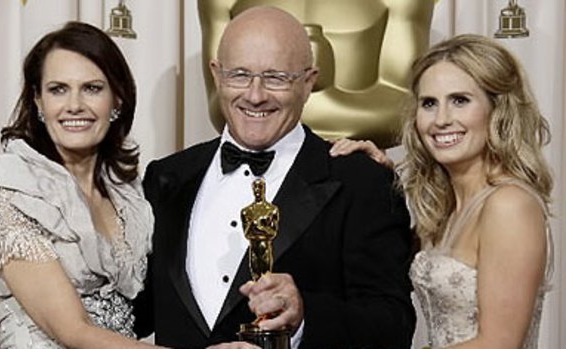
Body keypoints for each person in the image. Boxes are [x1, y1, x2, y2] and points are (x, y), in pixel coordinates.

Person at [132, 6, 414, 348]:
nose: (255, 95)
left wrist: (304, 315)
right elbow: (135, 311)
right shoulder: (166, 177)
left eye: (276, 77)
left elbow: (393, 326)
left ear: (308, 82)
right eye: (239, 75)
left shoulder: (362, 182)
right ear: (216, 74)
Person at [0, 22, 166, 348]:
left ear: (117, 99)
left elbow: (142, 313)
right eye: (58, 89)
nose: (74, 105)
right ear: (38, 101)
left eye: (92, 88)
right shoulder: (9, 197)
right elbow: (74, 332)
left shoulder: (129, 197)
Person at [401, 34, 553, 348]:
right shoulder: (444, 207)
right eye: (429, 103)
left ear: (497, 109)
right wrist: (367, 172)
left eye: (460, 100)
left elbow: (499, 343)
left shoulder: (509, 205)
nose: (441, 120)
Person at [198, 0, 434, 148]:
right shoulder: (222, 2)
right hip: (246, 173)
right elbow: (221, 105)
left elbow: (403, 110)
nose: (257, 95)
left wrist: (301, 90)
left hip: (352, 175)